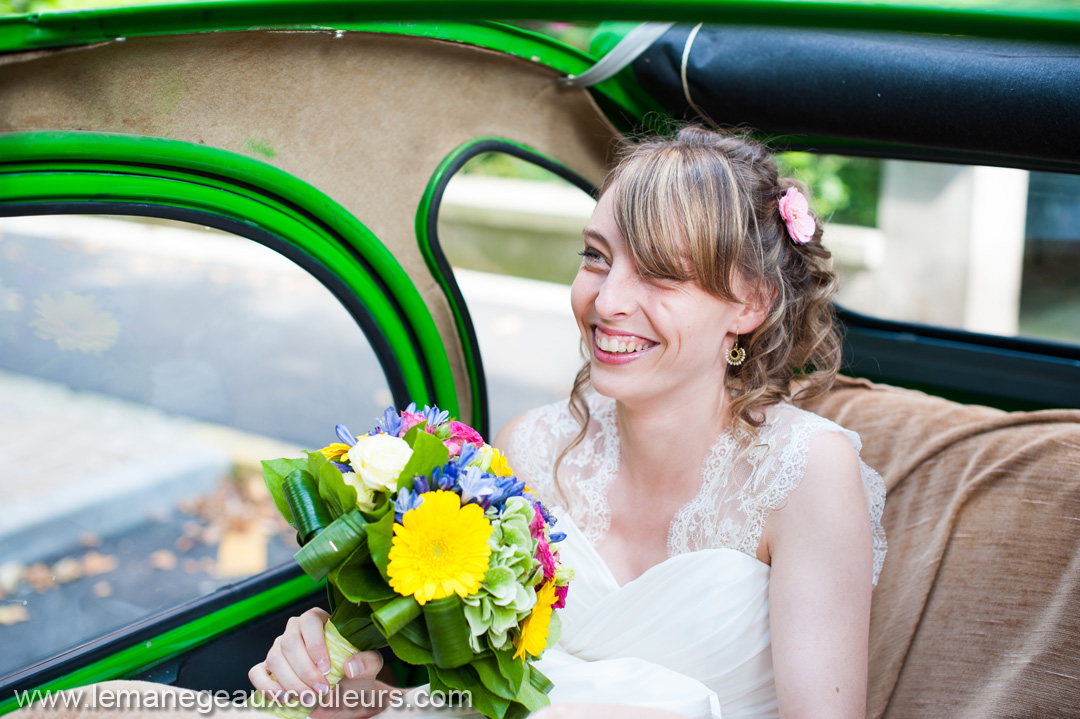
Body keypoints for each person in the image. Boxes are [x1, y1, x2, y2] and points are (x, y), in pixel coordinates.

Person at [248, 126, 887, 719]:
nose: (606, 303)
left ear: (751, 302)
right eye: (596, 257)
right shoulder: (527, 449)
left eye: (661, 273)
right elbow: (476, 699)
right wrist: (355, 697)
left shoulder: (805, 474)